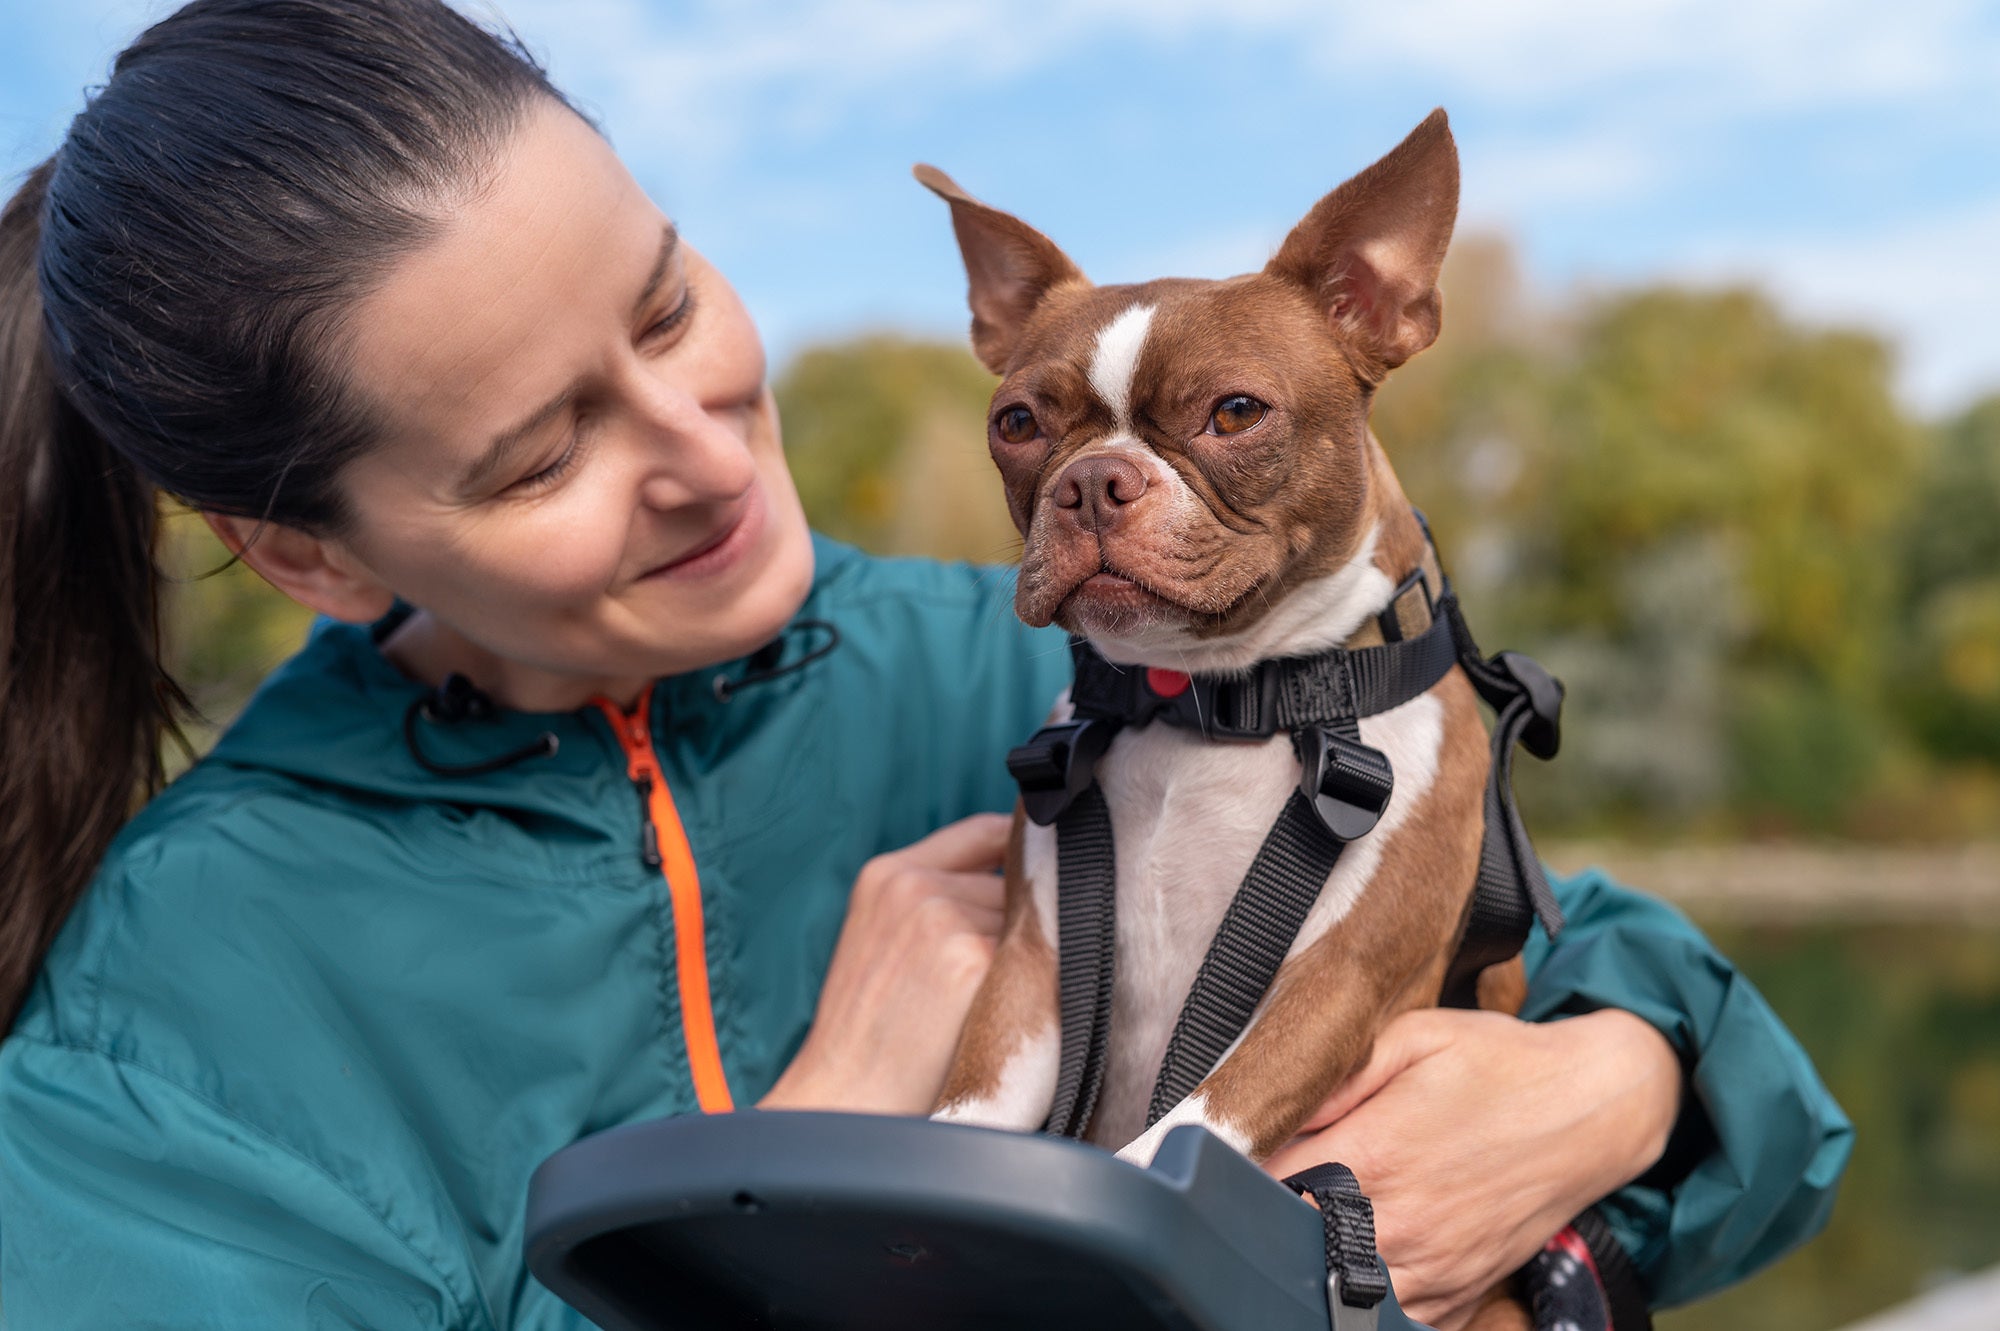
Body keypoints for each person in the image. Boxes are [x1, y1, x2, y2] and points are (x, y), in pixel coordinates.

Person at [0, 2, 1849, 1328]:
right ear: (303, 554)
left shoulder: (1075, 668)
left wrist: (1612, 1092)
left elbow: (1630, 990)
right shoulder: (176, 1002)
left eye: (666, 302)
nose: (711, 448)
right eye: (544, 454)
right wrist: (812, 1142)